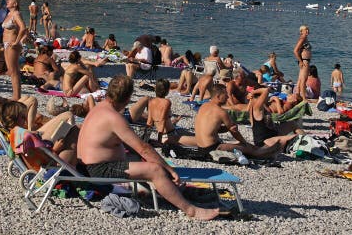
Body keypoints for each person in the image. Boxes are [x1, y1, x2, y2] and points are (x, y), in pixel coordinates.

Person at [77, 75, 221, 221]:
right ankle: (191, 210)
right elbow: (143, 148)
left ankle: (175, 191)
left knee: (145, 159)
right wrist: (169, 169)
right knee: (156, 170)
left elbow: (132, 146)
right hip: (99, 169)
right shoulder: (114, 117)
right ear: (128, 98)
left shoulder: (99, 108)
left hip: (87, 164)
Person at [194, 83, 284, 158]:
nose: (227, 97)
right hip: (212, 148)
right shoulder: (221, 112)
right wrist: (244, 143)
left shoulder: (203, 106)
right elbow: (235, 132)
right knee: (248, 148)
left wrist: (226, 128)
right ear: (218, 96)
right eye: (225, 95)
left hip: (200, 147)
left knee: (239, 144)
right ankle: (270, 150)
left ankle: (267, 149)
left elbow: (210, 129)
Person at [147, 79, 193, 145]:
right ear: (167, 91)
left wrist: (146, 137)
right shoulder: (166, 102)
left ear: (155, 89)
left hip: (163, 135)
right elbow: (162, 120)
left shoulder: (151, 102)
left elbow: (150, 122)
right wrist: (159, 141)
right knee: (199, 141)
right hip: (169, 135)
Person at [2, 0, 27, 100]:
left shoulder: (16, 14)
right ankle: (15, 95)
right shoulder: (9, 14)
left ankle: (17, 96)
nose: (7, 1)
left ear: (15, 4)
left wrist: (17, 41)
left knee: (14, 71)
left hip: (12, 43)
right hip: (6, 43)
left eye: (10, 0)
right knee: (11, 70)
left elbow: (23, 28)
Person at [293, 25, 311, 100]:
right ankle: (303, 97)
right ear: (301, 32)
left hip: (305, 60)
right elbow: (295, 50)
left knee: (300, 80)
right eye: (305, 30)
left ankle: (297, 95)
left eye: (307, 29)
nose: (307, 31)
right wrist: (300, 61)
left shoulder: (305, 38)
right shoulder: (303, 38)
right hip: (304, 61)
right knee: (304, 80)